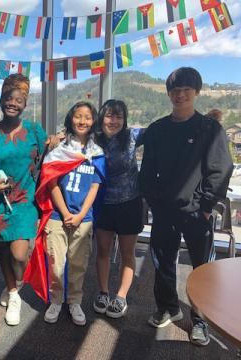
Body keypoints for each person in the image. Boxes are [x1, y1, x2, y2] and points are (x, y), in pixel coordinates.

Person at [139, 67, 233, 346]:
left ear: (196, 92)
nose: (180, 95)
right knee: (162, 261)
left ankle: (201, 320)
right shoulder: (157, 129)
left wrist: (204, 207)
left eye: (186, 90)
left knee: (202, 268)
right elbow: (147, 171)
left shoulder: (209, 128)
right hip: (165, 211)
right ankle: (168, 307)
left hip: (197, 213)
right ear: (168, 94)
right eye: (175, 90)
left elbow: (221, 169)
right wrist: (155, 201)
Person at [0, 73, 47, 326]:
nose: (13, 103)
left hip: (25, 201)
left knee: (19, 255)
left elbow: (48, 156)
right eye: (9, 98)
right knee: (5, 250)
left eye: (18, 100)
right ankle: (13, 293)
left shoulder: (34, 130)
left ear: (24, 104)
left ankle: (16, 282)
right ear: (1, 100)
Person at [36, 102, 105, 325]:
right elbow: (51, 183)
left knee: (78, 263)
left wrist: (80, 214)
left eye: (87, 117)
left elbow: (95, 186)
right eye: (78, 116)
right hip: (58, 217)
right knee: (56, 262)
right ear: (71, 118)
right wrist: (65, 212)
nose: (82, 121)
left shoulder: (96, 152)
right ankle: (56, 300)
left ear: (93, 121)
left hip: (83, 219)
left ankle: (74, 301)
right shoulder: (59, 150)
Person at [92, 100, 145, 319]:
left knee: (127, 253)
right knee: (102, 250)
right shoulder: (94, 140)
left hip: (129, 203)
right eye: (109, 116)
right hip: (103, 202)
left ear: (125, 120)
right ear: (102, 118)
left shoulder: (133, 136)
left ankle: (121, 296)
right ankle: (103, 292)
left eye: (119, 117)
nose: (114, 121)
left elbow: (162, 130)